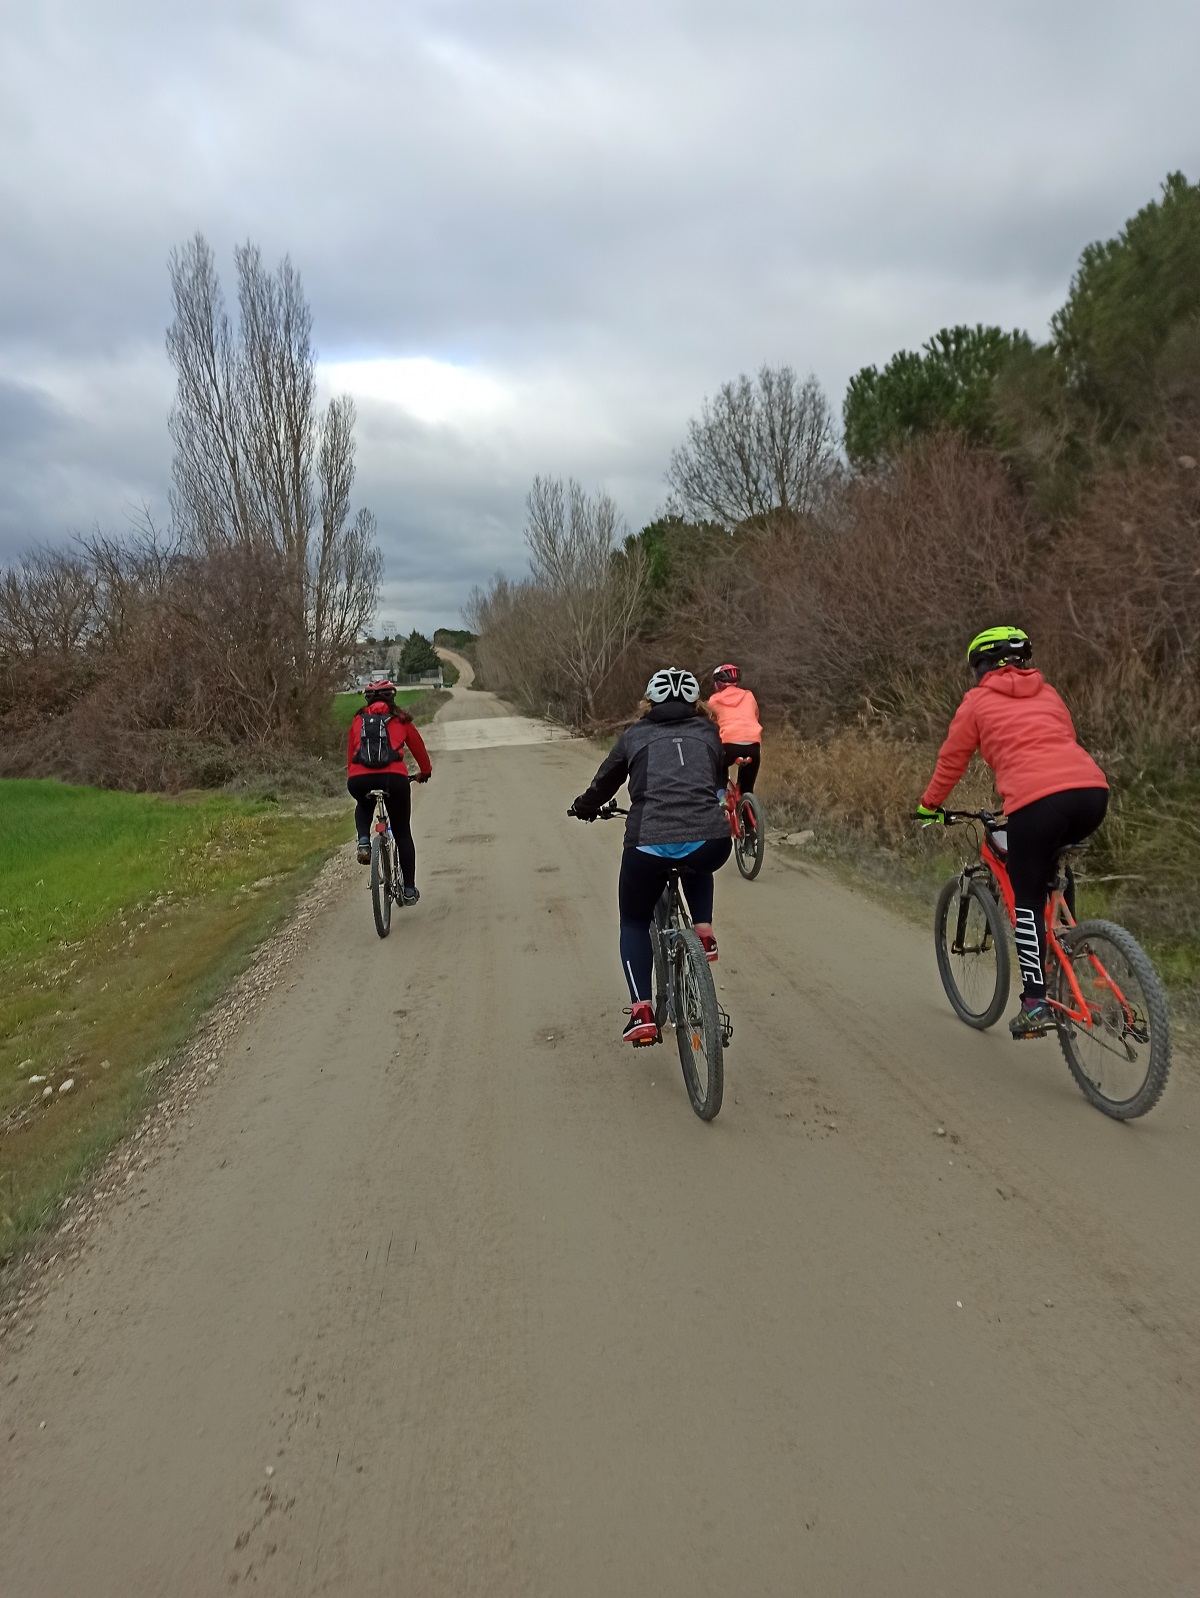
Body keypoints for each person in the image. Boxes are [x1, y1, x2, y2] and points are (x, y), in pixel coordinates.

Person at [916, 627, 1108, 1039]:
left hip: (1038, 802)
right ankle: (1066, 949)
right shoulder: (1049, 693)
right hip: (1092, 793)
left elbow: (952, 759)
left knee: (1025, 898)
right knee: (1050, 862)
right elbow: (1058, 745)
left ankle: (1036, 1002)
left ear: (982, 666)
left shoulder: (978, 701)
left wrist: (928, 805)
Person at [569, 668, 732, 1044]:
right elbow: (718, 779)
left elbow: (604, 782)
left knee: (634, 920)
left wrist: (584, 807)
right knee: (697, 852)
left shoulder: (635, 736)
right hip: (711, 843)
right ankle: (703, 932)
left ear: (649, 702)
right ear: (695, 703)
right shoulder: (709, 732)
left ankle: (642, 1011)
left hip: (648, 846)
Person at [346, 676, 432, 905]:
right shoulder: (401, 720)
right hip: (394, 779)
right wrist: (425, 772)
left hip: (358, 779)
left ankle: (364, 841)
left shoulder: (358, 721)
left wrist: (355, 777)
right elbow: (419, 749)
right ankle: (410, 890)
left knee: (364, 803)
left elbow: (350, 754)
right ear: (392, 698)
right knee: (402, 831)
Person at [706, 663, 763, 795]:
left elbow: (710, 725)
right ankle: (749, 807)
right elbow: (755, 717)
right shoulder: (749, 696)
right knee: (747, 789)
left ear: (718, 683)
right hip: (753, 746)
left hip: (729, 745)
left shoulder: (714, 701)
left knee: (719, 767)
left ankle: (720, 796)